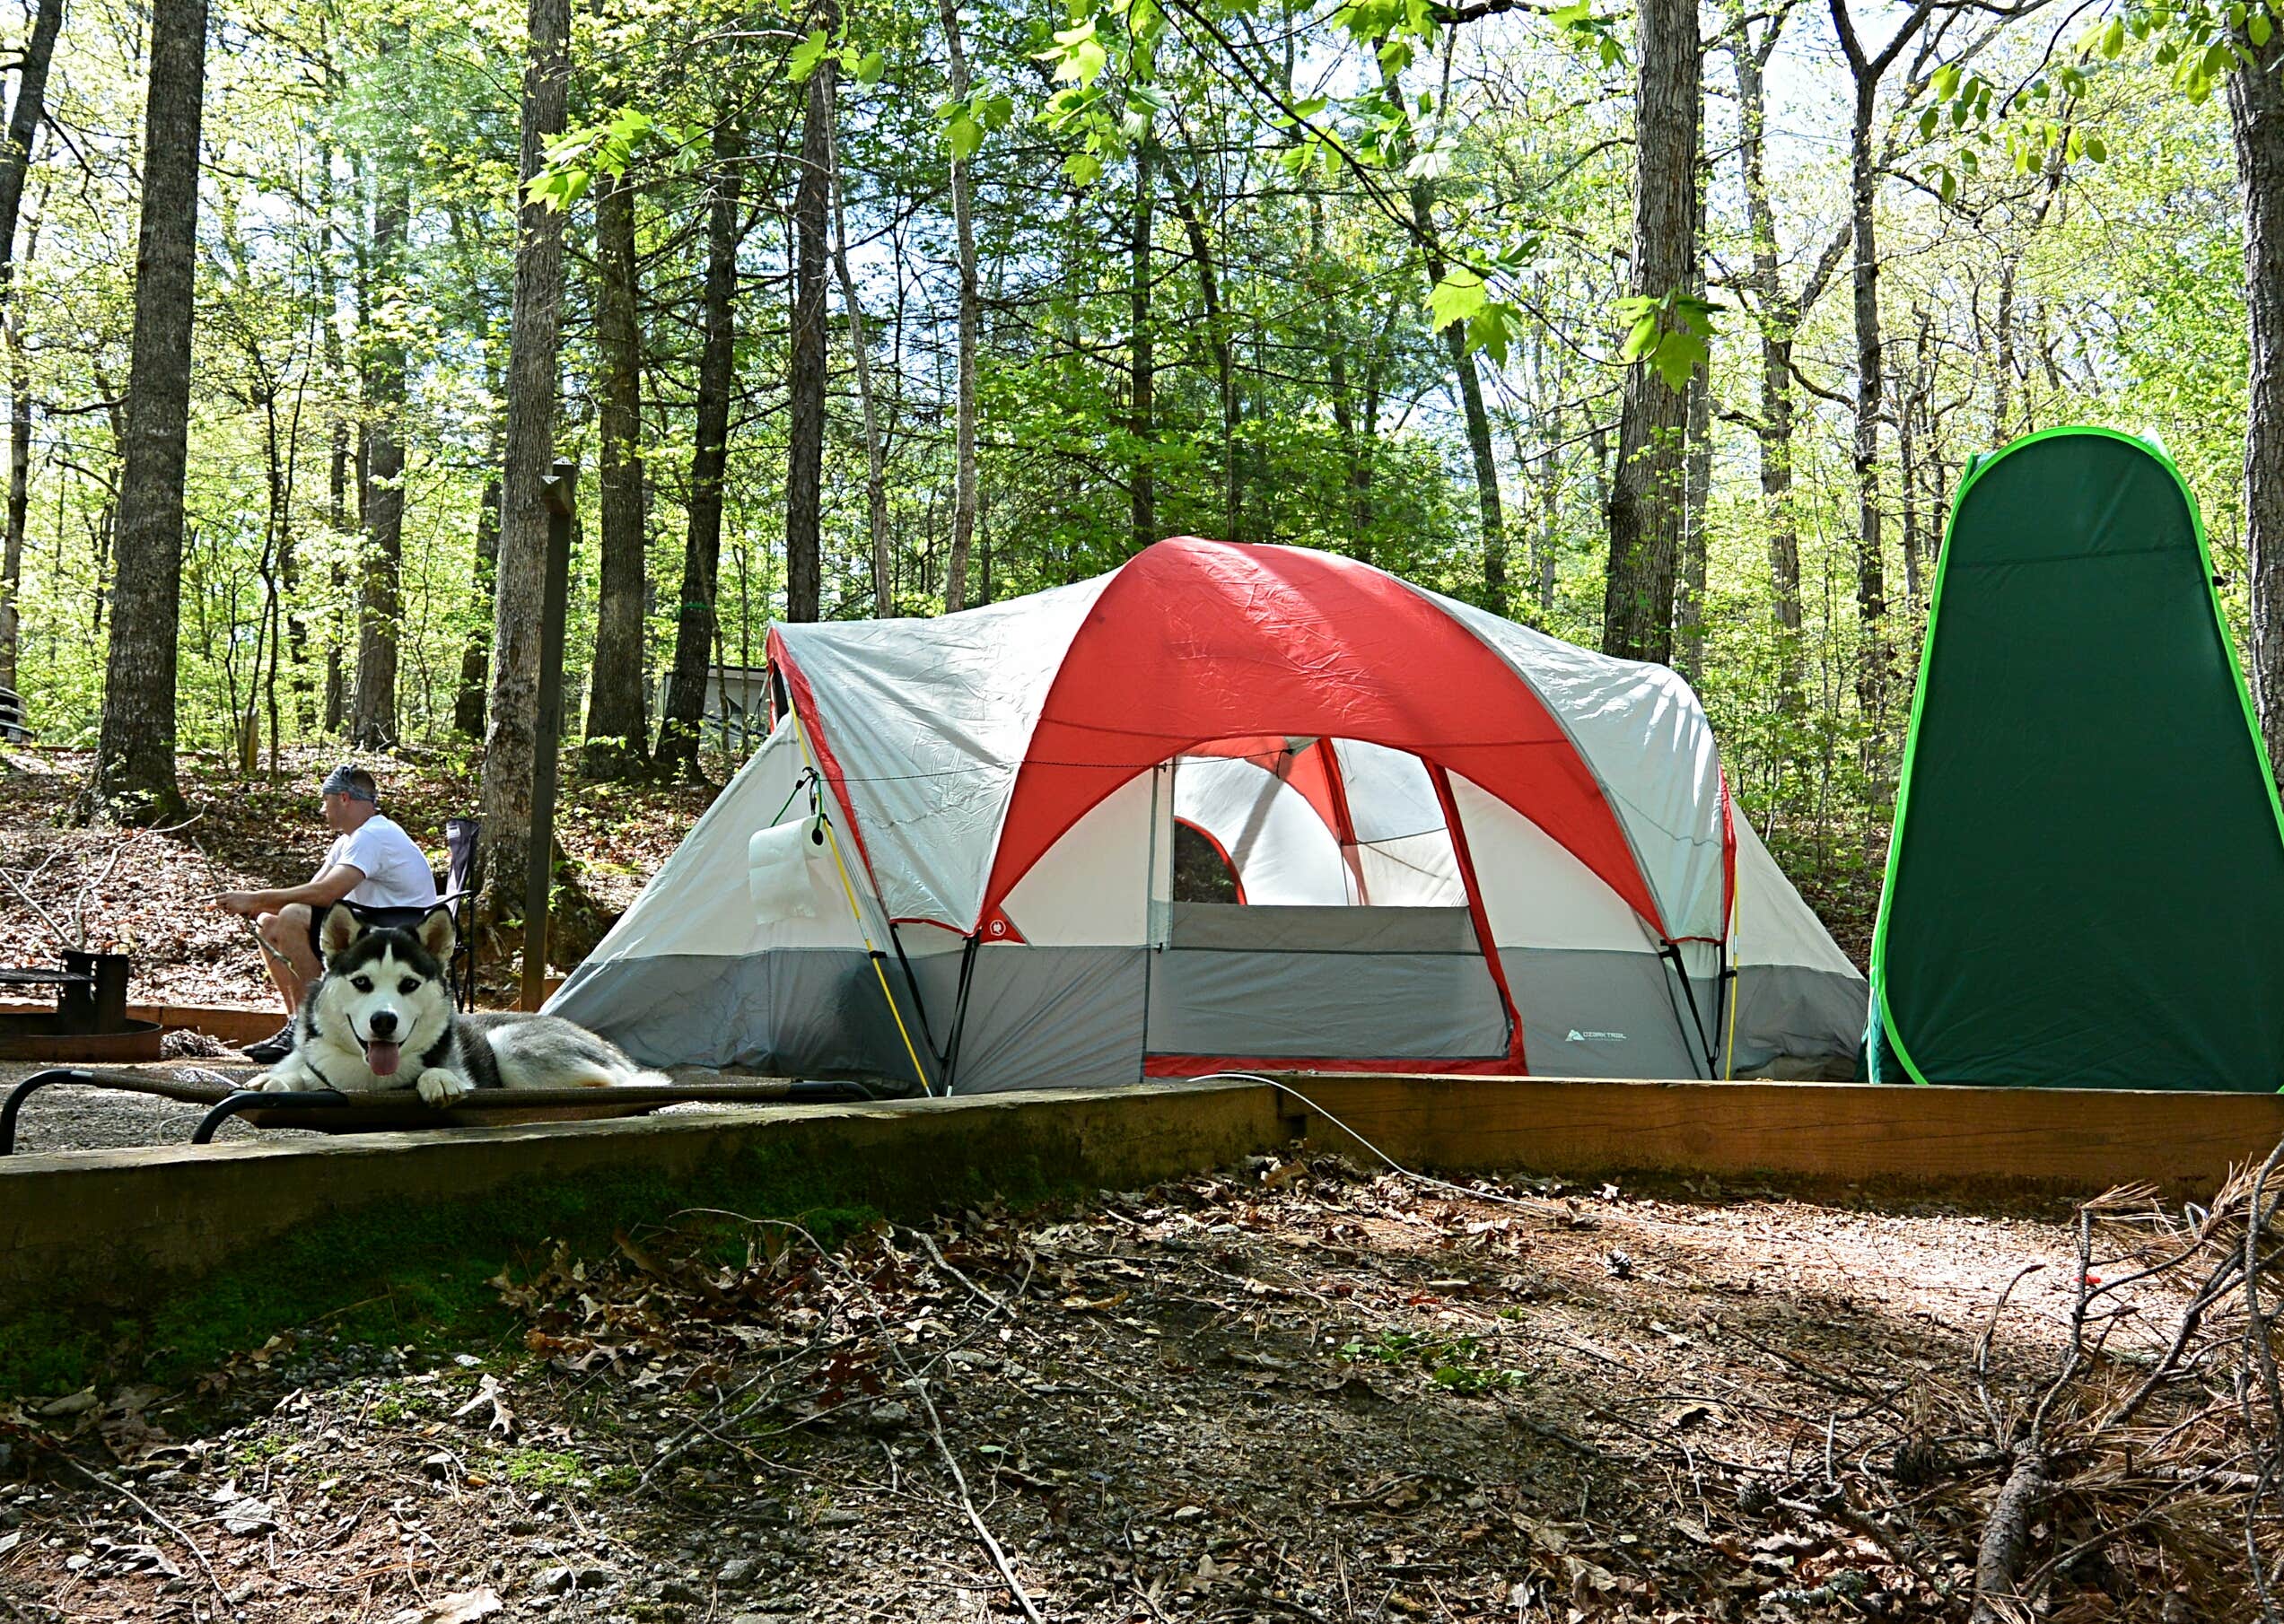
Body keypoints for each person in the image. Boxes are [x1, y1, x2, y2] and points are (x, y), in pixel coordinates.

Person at [216, 764, 441, 1062]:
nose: (323, 809)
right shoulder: (348, 841)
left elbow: (326, 895)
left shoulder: (374, 835)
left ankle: (310, 1025)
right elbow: (312, 892)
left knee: (294, 916)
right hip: (370, 921)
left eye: (326, 800)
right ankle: (295, 1024)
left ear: (344, 797)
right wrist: (254, 907)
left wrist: (255, 898)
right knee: (270, 925)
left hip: (401, 928)